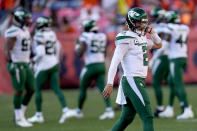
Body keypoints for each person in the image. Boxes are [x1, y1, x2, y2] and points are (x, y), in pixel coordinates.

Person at [103, 7, 162, 131]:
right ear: (131, 22)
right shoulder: (126, 38)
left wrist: (152, 33)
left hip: (138, 80)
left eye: (144, 22)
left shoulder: (141, 38)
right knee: (148, 116)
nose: (143, 25)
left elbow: (159, 44)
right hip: (132, 80)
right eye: (139, 22)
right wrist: (109, 83)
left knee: (126, 118)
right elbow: (115, 61)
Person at [27, 16, 73, 124]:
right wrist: (56, 60)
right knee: (56, 89)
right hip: (53, 63)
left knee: (37, 89)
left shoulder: (39, 34)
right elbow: (59, 48)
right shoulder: (52, 34)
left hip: (43, 65)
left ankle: (38, 115)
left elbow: (41, 53)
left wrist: (32, 60)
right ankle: (65, 109)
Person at [72, 19, 114, 120]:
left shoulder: (85, 36)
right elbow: (104, 52)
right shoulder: (102, 36)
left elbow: (79, 53)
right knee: (103, 89)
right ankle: (109, 110)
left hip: (90, 66)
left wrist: (77, 45)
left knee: (83, 88)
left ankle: (79, 111)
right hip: (100, 65)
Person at [158, 10, 194, 119]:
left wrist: (154, 59)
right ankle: (170, 108)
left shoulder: (170, 28)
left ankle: (186, 108)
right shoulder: (185, 28)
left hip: (175, 58)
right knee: (170, 80)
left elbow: (165, 44)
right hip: (183, 57)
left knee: (178, 83)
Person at [4, 8, 35, 127]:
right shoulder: (13, 31)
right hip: (17, 63)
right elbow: (7, 48)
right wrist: (10, 62)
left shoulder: (25, 30)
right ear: (19, 19)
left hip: (26, 63)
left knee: (31, 89)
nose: (28, 21)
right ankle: (18, 118)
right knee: (19, 91)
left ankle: (20, 115)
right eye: (26, 19)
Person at [149, 8, 172, 117]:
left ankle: (160, 108)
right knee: (171, 82)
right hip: (169, 57)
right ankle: (181, 106)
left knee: (156, 83)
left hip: (161, 57)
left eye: (154, 16)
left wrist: (153, 59)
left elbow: (161, 46)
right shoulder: (168, 26)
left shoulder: (160, 28)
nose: (152, 18)